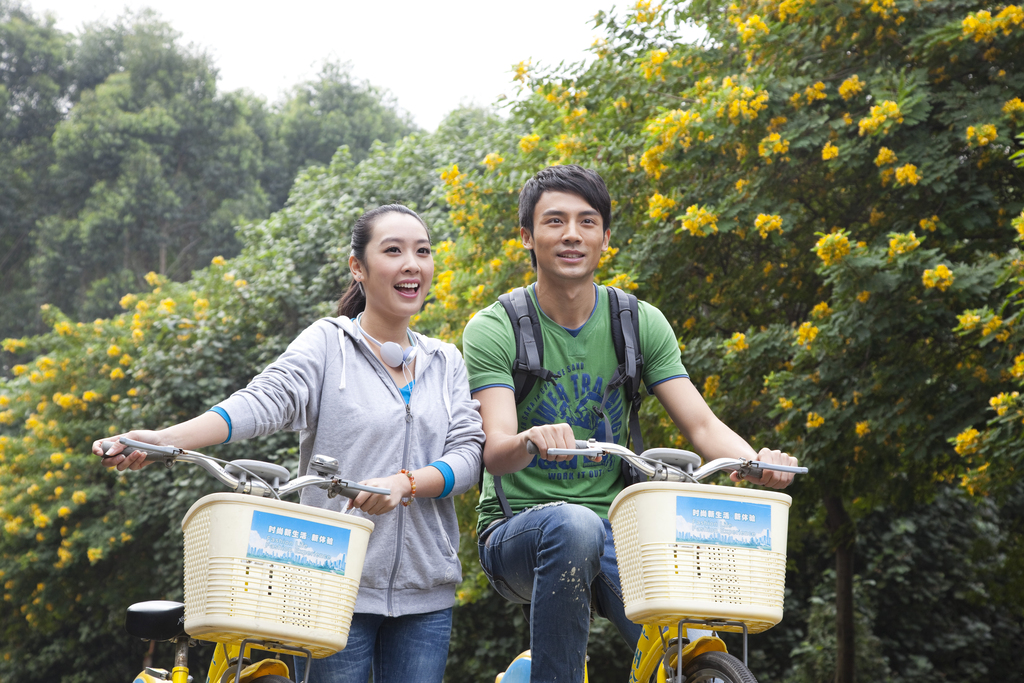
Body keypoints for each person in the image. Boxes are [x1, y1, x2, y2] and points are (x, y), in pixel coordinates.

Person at [94, 204, 485, 683]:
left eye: (422, 252)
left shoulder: (445, 361)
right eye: (393, 251)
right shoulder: (327, 344)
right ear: (358, 268)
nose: (412, 264)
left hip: (426, 596)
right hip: (330, 589)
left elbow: (468, 459)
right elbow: (261, 401)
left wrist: (406, 483)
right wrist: (166, 440)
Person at [461, 165, 799, 683]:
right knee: (574, 524)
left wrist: (756, 464)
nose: (572, 234)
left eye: (587, 222)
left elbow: (703, 425)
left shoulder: (638, 322)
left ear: (605, 238)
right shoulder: (496, 327)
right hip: (518, 530)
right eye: (555, 221)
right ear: (527, 236)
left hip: (620, 530)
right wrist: (530, 441)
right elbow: (496, 449)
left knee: (681, 644)